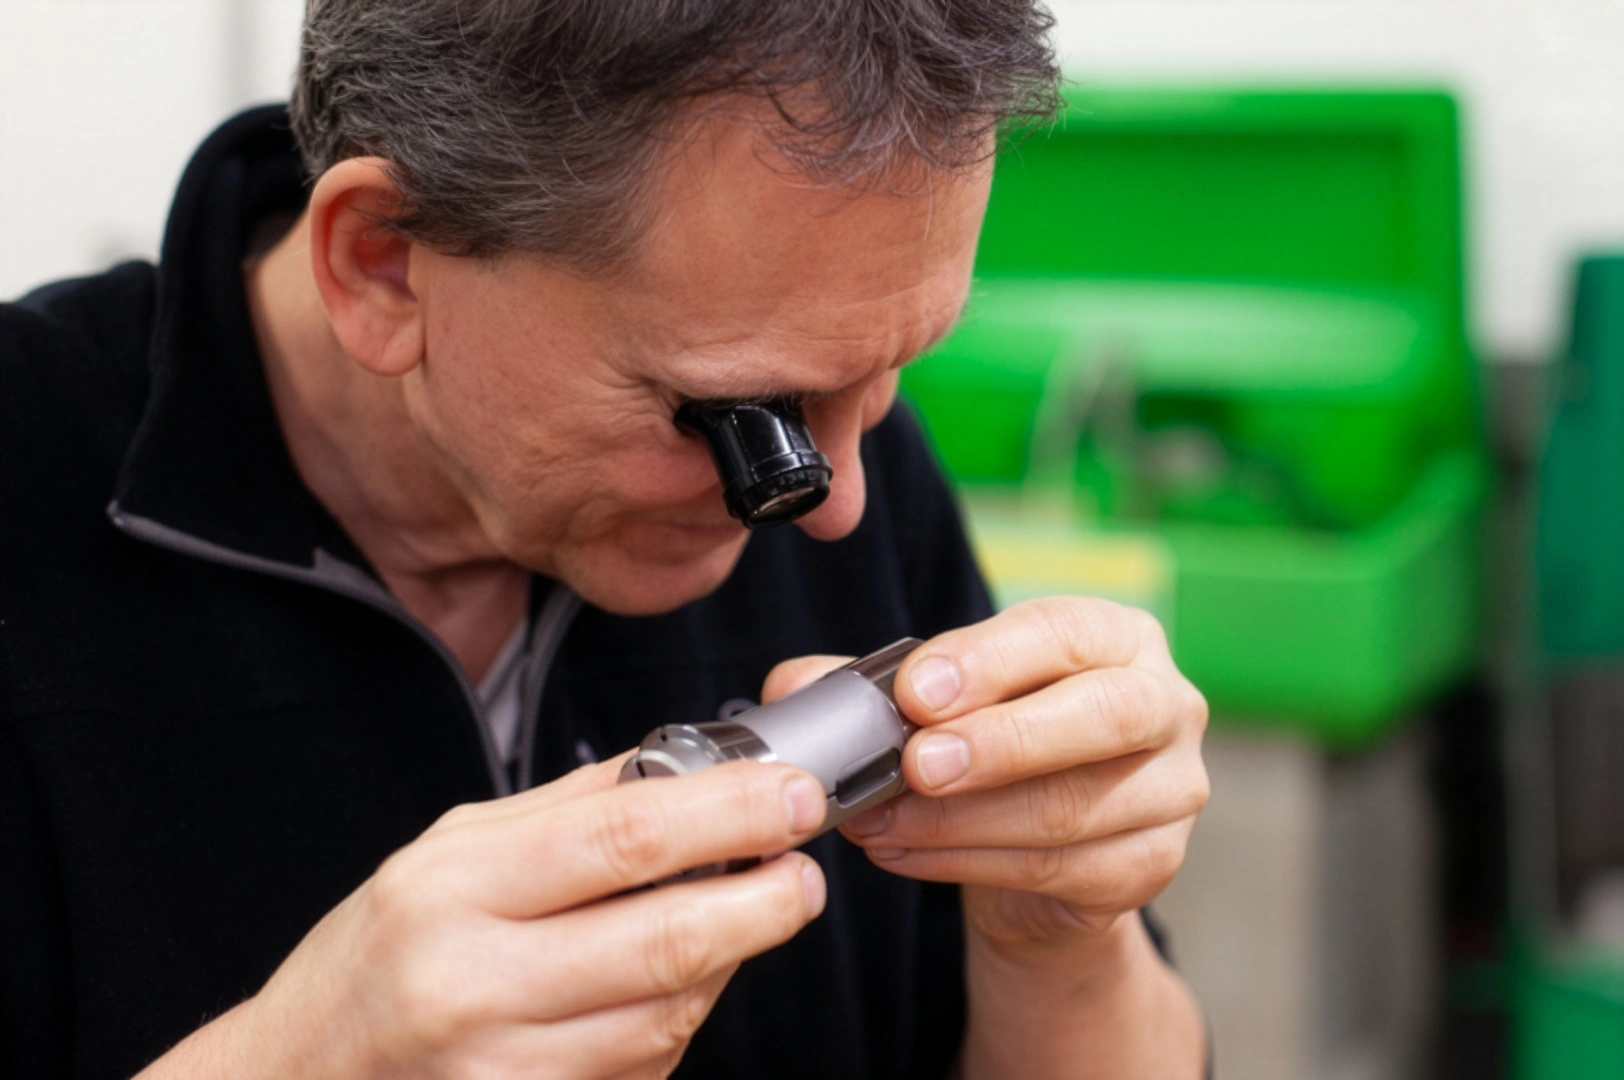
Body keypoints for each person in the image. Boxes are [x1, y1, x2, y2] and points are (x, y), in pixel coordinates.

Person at [0, 2, 1210, 1077]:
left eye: (888, 375)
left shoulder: (838, 441)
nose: (838, 505)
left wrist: (1061, 943)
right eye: (746, 422)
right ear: (384, 265)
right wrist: (306, 1055)